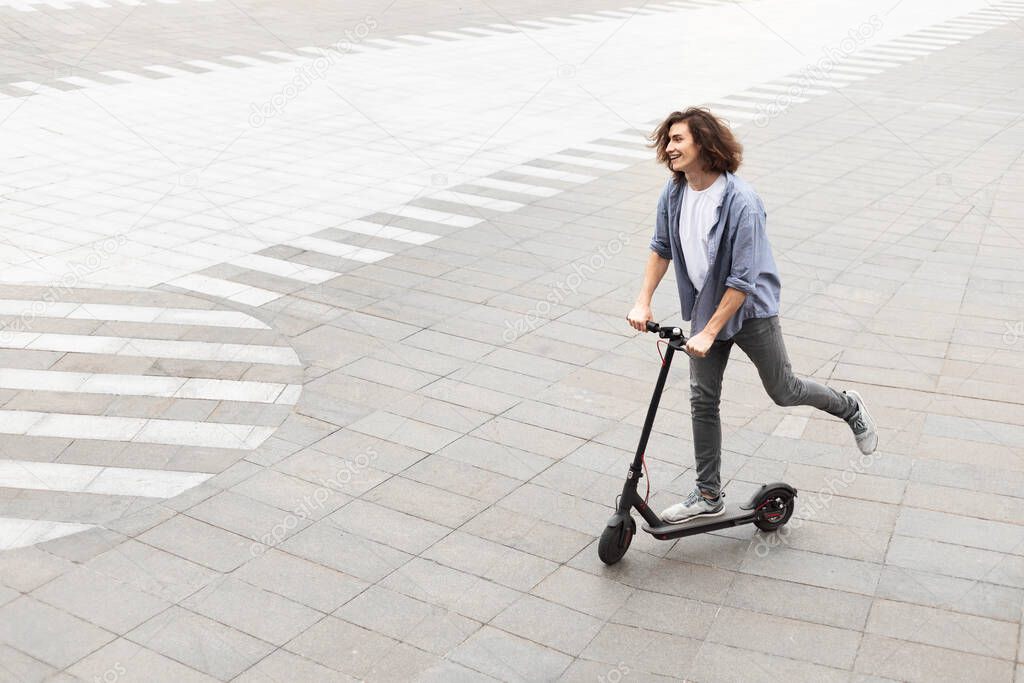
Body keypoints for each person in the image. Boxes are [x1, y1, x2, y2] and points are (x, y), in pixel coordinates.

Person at [626, 108, 878, 523]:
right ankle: (708, 494)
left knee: (784, 390)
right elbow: (660, 247)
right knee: (702, 400)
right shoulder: (673, 194)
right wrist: (643, 300)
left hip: (750, 310)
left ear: (704, 145)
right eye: (667, 140)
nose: (669, 148)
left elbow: (743, 280)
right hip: (709, 308)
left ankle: (849, 406)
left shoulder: (741, 202)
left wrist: (708, 332)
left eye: (678, 140)